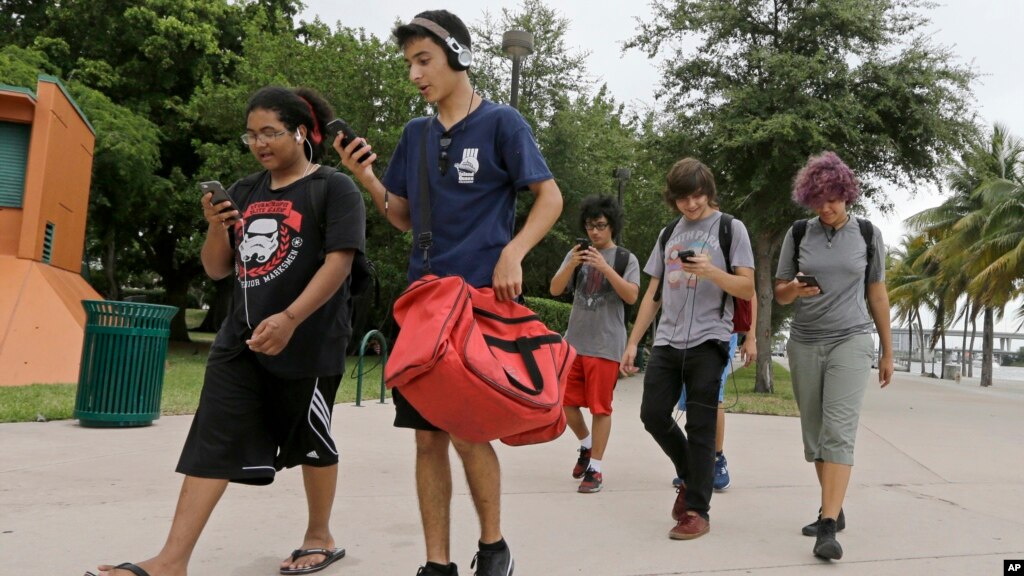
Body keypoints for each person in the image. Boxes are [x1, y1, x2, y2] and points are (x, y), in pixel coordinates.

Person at [89, 86, 365, 576]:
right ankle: (171, 562)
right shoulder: (243, 190)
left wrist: (289, 319)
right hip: (240, 341)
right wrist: (217, 227)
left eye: (270, 133)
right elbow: (218, 270)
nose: (259, 143)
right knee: (210, 439)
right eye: (251, 135)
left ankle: (318, 535)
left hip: (310, 341)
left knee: (311, 439)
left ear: (300, 132)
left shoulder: (332, 188)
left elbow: (339, 263)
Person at [336, 10, 562, 576]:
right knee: (426, 440)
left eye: (424, 61)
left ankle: (493, 547)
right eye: (409, 64)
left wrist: (513, 253)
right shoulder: (415, 135)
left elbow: (550, 198)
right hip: (425, 304)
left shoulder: (502, 124)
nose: (414, 74)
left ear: (457, 55)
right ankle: (437, 563)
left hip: (480, 302)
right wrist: (366, 178)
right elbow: (404, 218)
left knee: (468, 433)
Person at [620, 158, 754, 540]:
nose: (691, 205)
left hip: (710, 339)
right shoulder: (668, 233)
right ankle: (695, 476)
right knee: (652, 414)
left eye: (696, 196)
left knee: (700, 426)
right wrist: (633, 343)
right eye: (682, 198)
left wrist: (711, 271)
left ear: (708, 192)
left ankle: (696, 509)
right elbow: (653, 294)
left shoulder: (731, 229)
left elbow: (747, 288)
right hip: (666, 341)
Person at [774, 151, 893, 561]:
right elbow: (780, 290)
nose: (826, 208)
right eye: (818, 200)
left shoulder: (866, 233)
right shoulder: (797, 232)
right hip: (805, 341)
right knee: (816, 434)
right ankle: (834, 508)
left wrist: (887, 351)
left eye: (833, 199)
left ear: (847, 195)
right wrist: (796, 290)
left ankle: (827, 525)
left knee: (839, 432)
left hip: (851, 339)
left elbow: (877, 293)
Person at [549, 195, 640, 494]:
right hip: (574, 343)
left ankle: (596, 469)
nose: (594, 232)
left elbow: (631, 296)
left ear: (612, 225)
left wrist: (605, 267)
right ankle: (586, 445)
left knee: (601, 407)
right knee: (563, 402)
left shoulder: (627, 259)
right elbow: (555, 288)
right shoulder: (576, 253)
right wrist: (572, 263)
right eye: (590, 226)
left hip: (606, 345)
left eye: (600, 226)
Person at [672, 297, 757, 491]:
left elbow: (749, 292)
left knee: (713, 395)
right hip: (687, 333)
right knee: (693, 401)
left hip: (722, 333)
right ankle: (697, 463)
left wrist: (750, 337)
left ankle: (717, 459)